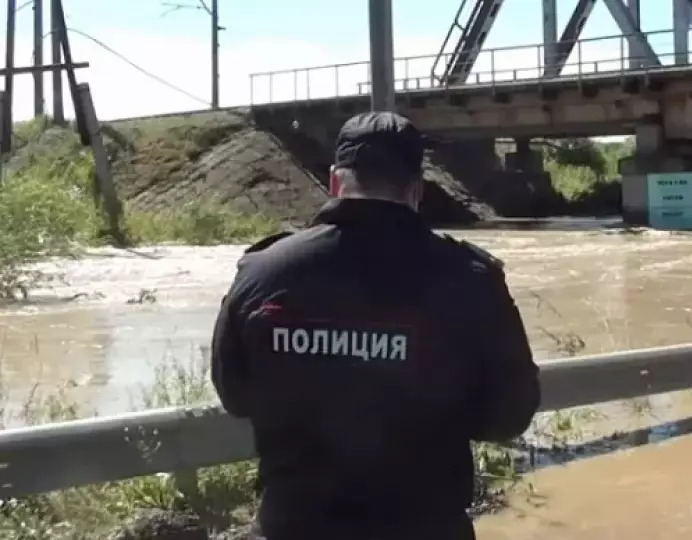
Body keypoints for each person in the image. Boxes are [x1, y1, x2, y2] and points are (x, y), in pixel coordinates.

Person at [210, 111, 541, 540]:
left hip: (293, 525)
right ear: (417, 190)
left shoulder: (263, 272)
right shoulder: (471, 278)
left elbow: (234, 394)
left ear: (334, 181)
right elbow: (509, 416)